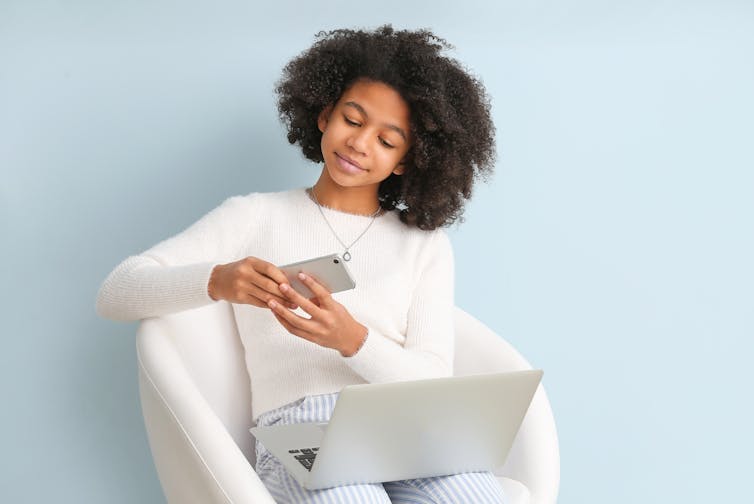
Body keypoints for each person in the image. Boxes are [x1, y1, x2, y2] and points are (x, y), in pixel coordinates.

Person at [97, 25, 501, 503]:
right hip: (301, 427)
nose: (360, 144)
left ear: (406, 162)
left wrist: (354, 340)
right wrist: (218, 280)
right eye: (352, 119)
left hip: (404, 428)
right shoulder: (253, 216)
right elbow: (116, 293)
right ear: (324, 115)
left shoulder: (423, 244)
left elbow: (433, 381)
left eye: (388, 141)